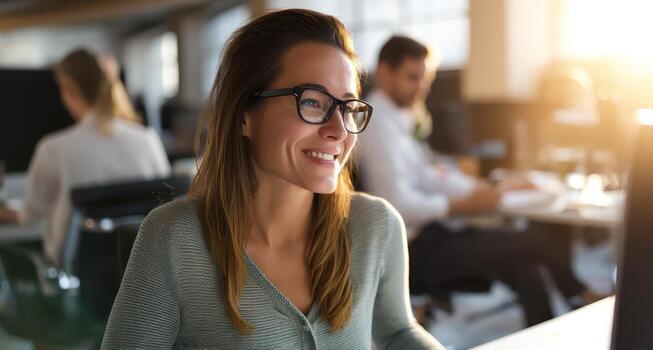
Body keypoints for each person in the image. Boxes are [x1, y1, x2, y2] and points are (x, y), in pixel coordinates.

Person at [102, 9, 444, 349]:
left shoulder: (376, 226)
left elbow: (398, 332)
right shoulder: (174, 240)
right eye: (312, 102)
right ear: (244, 115)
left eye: (348, 107)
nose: (339, 130)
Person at [357, 36, 587, 326]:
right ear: (385, 72)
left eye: (425, 79)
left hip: (433, 235)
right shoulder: (376, 123)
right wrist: (459, 204)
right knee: (538, 240)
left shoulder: (398, 117)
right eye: (413, 78)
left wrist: (486, 189)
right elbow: (398, 205)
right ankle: (584, 296)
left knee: (526, 267)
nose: (422, 88)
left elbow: (429, 175)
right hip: (411, 251)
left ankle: (552, 327)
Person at [0, 48, 170, 266]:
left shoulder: (54, 149)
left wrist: (5, 213)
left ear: (68, 89)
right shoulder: (148, 140)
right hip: (145, 272)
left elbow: (30, 215)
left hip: (76, 279)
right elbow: (166, 206)